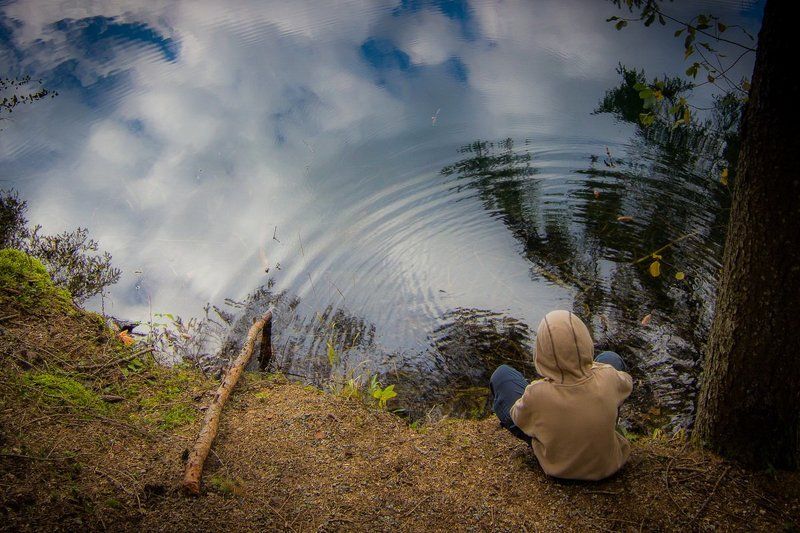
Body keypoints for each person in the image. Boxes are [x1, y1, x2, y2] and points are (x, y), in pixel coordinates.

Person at [489, 310, 633, 481]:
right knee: (611, 358)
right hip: (610, 466)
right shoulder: (608, 376)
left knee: (502, 375)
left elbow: (517, 417)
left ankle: (554, 440)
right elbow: (627, 384)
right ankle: (600, 428)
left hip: (560, 471)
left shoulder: (536, 394)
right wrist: (588, 370)